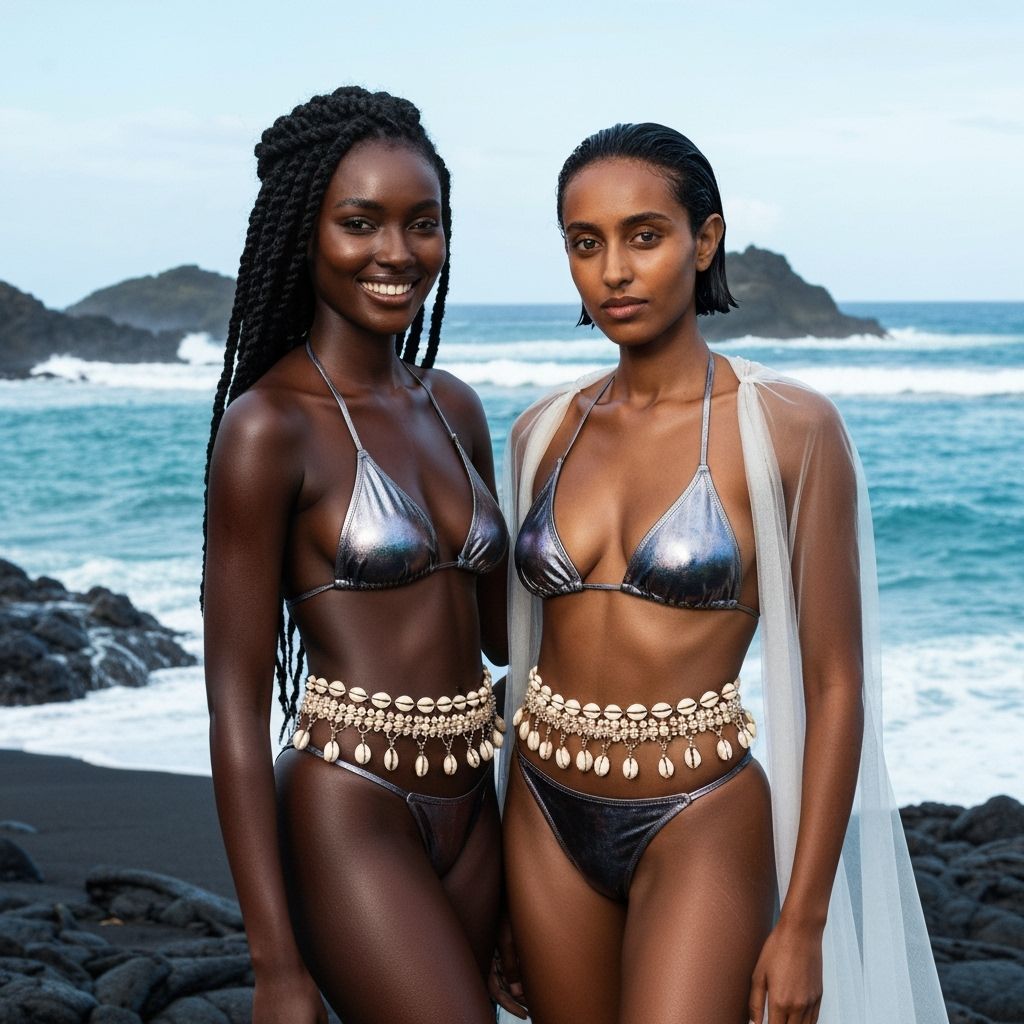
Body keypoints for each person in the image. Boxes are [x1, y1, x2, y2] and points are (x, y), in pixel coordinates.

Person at [497, 123, 948, 1024]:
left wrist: (805, 922)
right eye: (586, 244)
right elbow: (521, 649)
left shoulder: (787, 428)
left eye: (644, 235)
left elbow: (835, 681)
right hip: (541, 815)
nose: (614, 270)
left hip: (699, 816)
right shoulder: (541, 430)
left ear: (704, 242)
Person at [202, 86, 510, 1023]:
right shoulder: (268, 430)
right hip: (351, 808)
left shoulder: (453, 407)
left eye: (424, 224)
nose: (396, 253)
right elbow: (234, 700)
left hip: (479, 805)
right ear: (307, 232)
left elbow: (503, 637)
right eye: (360, 223)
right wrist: (274, 964)